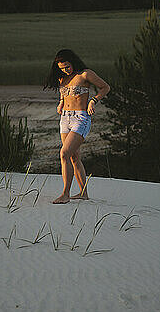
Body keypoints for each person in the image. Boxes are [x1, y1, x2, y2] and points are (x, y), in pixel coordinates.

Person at [44, 49, 110, 204]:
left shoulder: (85, 74)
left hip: (81, 118)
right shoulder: (63, 78)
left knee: (64, 154)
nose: (65, 70)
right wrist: (61, 102)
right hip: (65, 118)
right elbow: (64, 94)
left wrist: (93, 100)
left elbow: (105, 87)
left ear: (73, 61)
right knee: (74, 157)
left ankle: (65, 194)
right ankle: (83, 193)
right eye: (62, 68)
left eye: (67, 66)